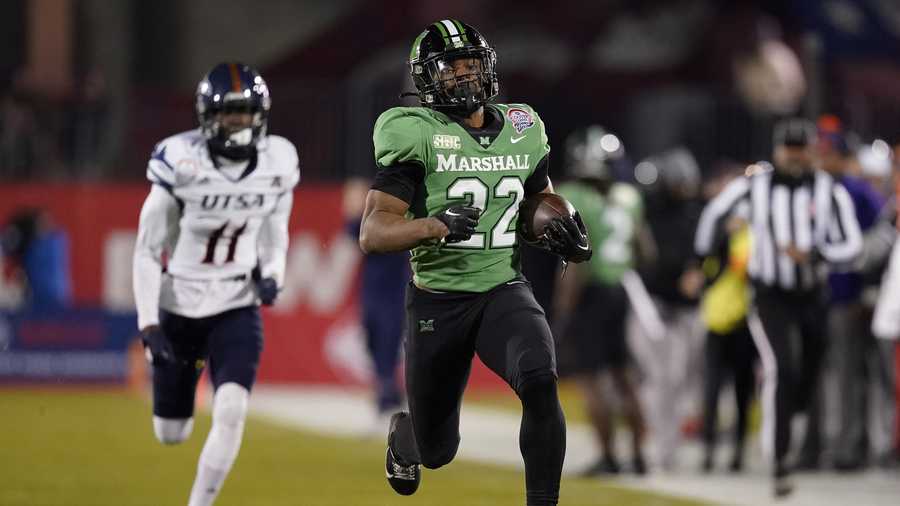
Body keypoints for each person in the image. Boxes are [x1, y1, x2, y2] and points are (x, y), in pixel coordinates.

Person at [359, 20, 591, 506]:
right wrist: (433, 225)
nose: (464, 78)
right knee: (437, 449)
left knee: (542, 383)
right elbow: (374, 232)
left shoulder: (523, 126)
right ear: (427, 79)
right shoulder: (414, 131)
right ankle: (406, 436)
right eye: (450, 69)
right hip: (437, 302)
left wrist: (560, 226)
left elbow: (539, 200)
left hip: (503, 288)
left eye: (471, 66)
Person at [132, 62, 299, 506]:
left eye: (245, 113)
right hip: (180, 304)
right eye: (229, 113)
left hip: (235, 304)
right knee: (171, 433)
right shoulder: (180, 161)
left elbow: (275, 229)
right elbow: (147, 250)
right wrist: (149, 324)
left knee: (231, 409)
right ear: (208, 116)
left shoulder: (278, 160)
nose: (238, 123)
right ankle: (187, 372)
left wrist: (273, 273)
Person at [693, 118, 862, 497]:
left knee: (810, 369)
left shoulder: (826, 189)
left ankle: (791, 422)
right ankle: (780, 457)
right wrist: (702, 254)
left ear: (811, 150)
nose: (796, 156)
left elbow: (851, 245)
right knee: (781, 367)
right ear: (777, 150)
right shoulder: (755, 187)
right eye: (790, 148)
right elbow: (714, 213)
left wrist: (818, 254)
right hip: (769, 294)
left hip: (812, 295)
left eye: (802, 148)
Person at [554, 126, 648, 476]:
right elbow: (644, 251)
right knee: (624, 378)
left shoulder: (572, 193)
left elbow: (574, 265)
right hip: (622, 288)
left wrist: (563, 313)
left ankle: (608, 456)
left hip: (591, 292)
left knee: (592, 380)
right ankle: (639, 456)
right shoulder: (629, 197)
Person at [342, 177, 408, 430]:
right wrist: (352, 208)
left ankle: (386, 406)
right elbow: (351, 233)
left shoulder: (398, 221)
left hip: (394, 295)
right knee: (372, 345)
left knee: (387, 351)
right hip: (371, 296)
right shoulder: (368, 221)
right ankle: (392, 398)